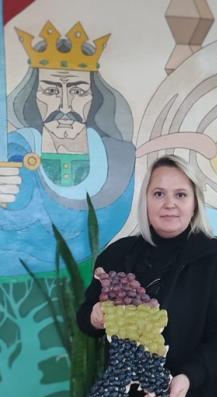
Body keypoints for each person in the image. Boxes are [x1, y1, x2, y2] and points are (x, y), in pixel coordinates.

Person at [77, 154, 217, 397]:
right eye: (159, 194)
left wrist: (188, 376)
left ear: (195, 203)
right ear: (145, 200)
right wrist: (94, 317)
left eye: (180, 194)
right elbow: (85, 317)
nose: (169, 203)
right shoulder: (118, 255)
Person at [0, 21, 135, 276]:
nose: (64, 105)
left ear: (94, 97)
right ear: (34, 96)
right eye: (51, 90)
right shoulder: (13, 150)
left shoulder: (119, 156)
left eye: (78, 91)